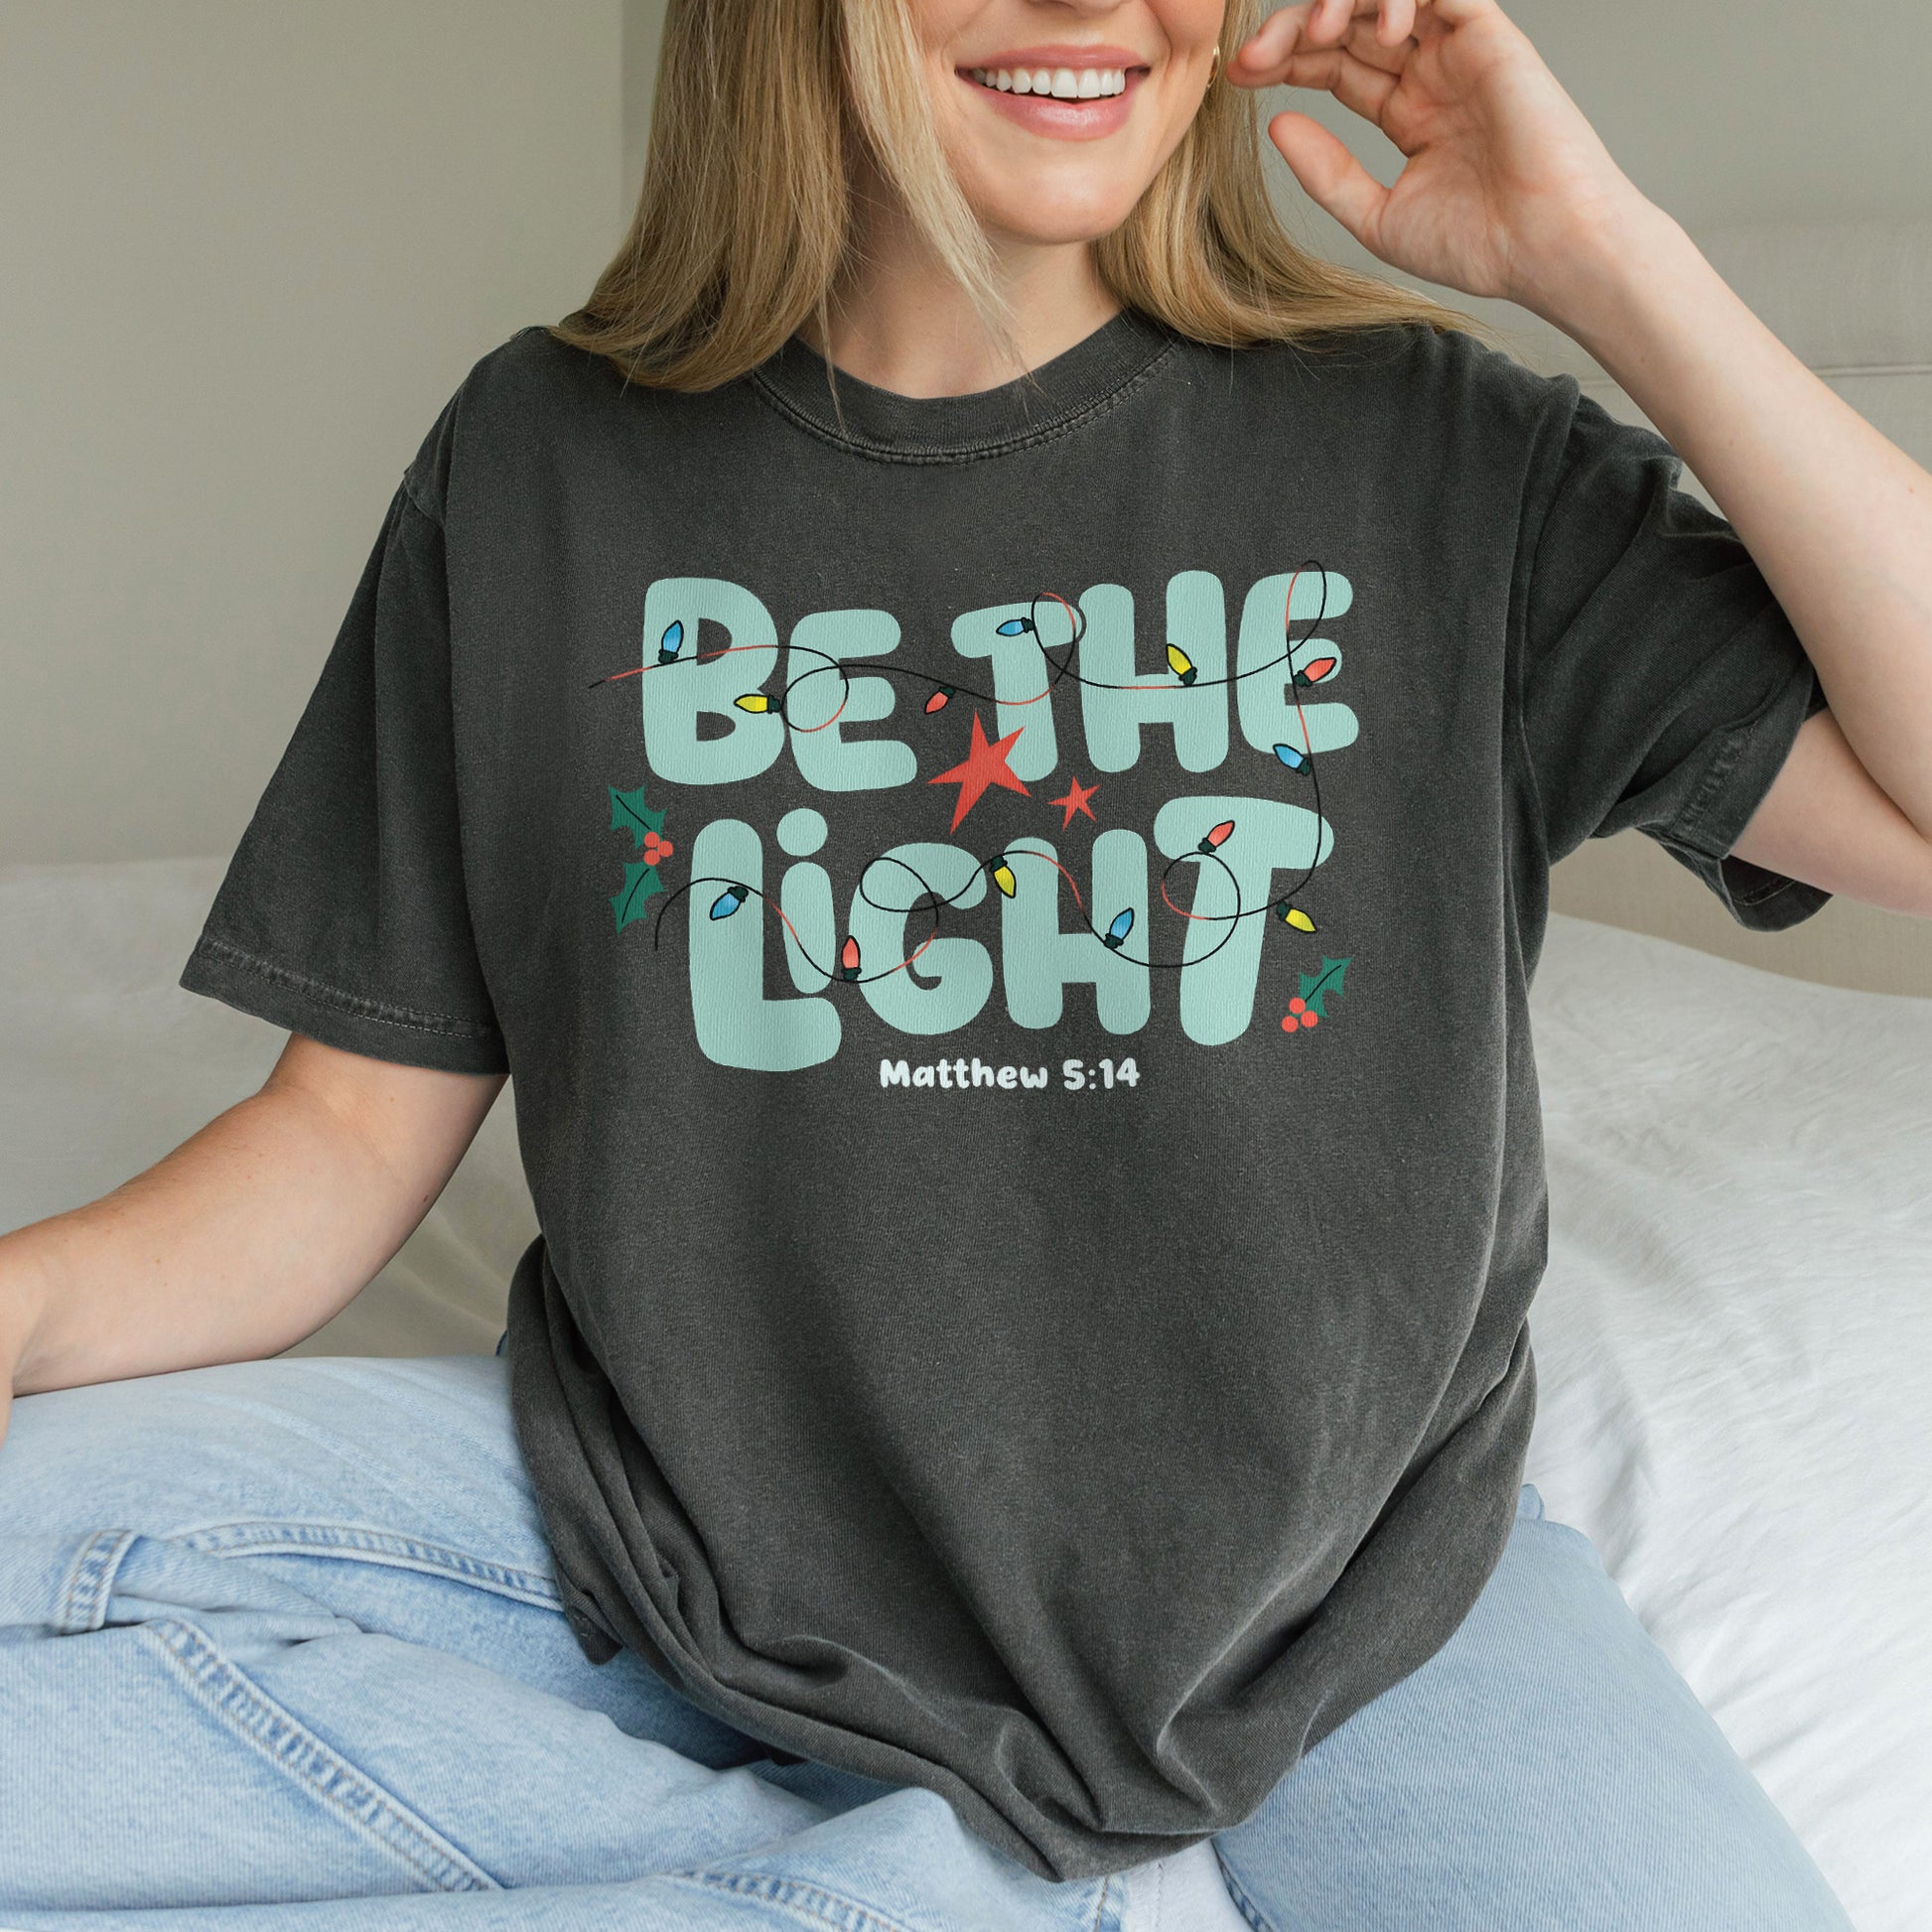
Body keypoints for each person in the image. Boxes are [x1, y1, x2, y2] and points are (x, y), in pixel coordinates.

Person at [3, 0, 1924, 1923]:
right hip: (679, 1554)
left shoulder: (1438, 457)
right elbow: (346, 1129)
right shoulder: (540, 458)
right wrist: (19, 1309)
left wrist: (1607, 260)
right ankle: (930, 1881)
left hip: (1348, 1612)